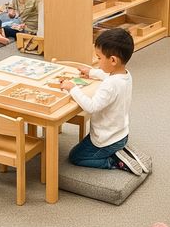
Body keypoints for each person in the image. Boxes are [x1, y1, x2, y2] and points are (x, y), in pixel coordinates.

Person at [59, 28, 146, 175]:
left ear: (113, 60)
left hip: (106, 139)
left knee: (76, 156)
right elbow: (107, 75)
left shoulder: (110, 85)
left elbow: (91, 107)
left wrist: (72, 88)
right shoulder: (125, 75)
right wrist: (91, 72)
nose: (97, 62)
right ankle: (120, 150)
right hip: (121, 134)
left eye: (99, 58)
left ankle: (114, 161)